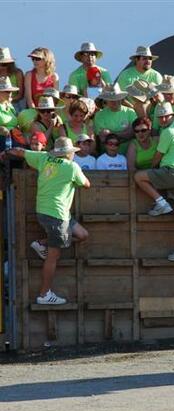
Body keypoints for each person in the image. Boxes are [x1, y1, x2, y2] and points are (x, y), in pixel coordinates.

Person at [3, 137, 90, 305]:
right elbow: (86, 184)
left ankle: (41, 243)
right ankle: (44, 294)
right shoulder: (72, 167)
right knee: (53, 258)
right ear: (69, 154)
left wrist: (5, 152)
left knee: (82, 235)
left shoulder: (43, 157)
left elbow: (19, 152)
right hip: (57, 215)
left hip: (46, 212)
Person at [134, 102, 174, 261]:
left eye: (165, 116)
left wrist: (152, 168)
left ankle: (161, 202)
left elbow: (158, 156)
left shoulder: (167, 132)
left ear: (170, 116)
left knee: (138, 177)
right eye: (161, 117)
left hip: (172, 171)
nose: (163, 119)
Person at [93, 84, 136, 154]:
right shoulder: (99, 115)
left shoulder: (130, 112)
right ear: (105, 100)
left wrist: (111, 134)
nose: (114, 100)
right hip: (107, 158)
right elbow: (103, 139)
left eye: (116, 97)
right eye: (111, 98)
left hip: (129, 155)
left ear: (120, 98)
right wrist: (124, 134)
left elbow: (131, 134)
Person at [0, 77, 18, 141]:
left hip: (14, 137)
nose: (10, 93)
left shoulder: (9, 105)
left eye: (11, 91)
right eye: (7, 91)